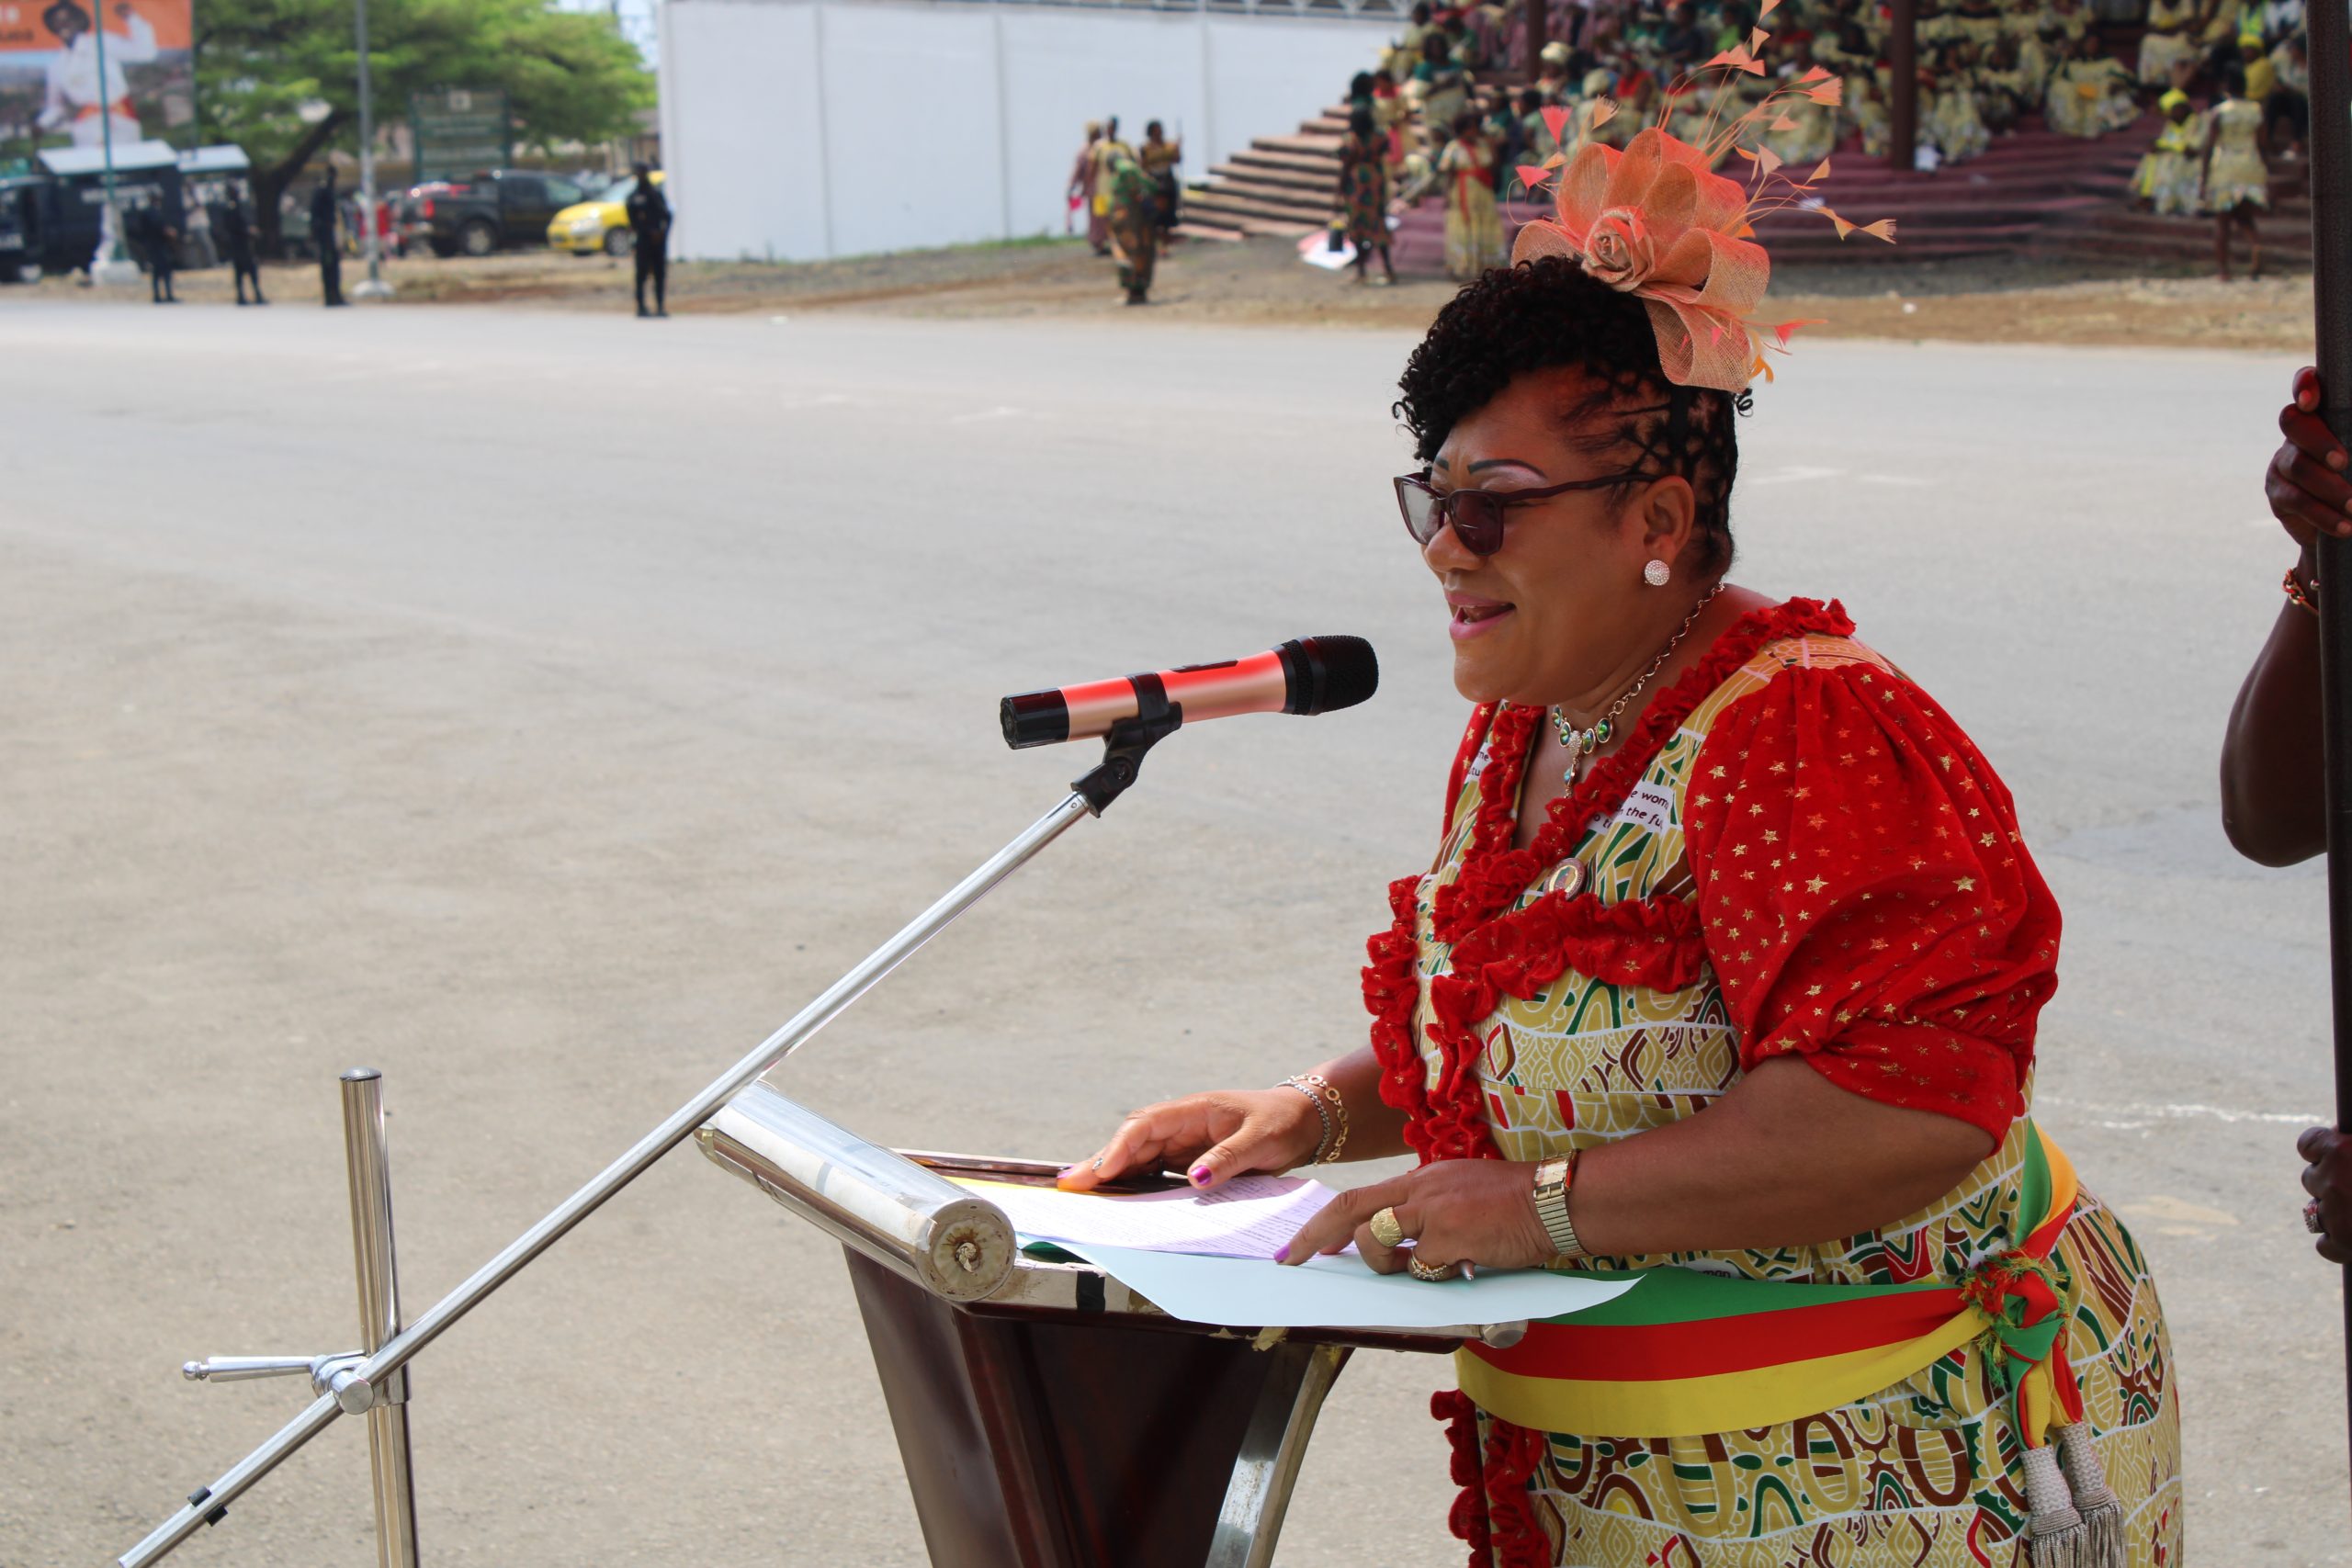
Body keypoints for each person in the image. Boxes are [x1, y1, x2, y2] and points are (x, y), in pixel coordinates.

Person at [1064, 107, 2180, 1566]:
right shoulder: (1537, 715)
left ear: (1659, 512)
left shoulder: (1803, 731)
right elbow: (1542, 1037)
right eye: (1436, 497)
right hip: (1639, 1475)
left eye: (1497, 505)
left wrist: (1539, 1208)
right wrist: (1309, 1113)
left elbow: (1907, 1101)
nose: (1446, 545)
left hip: (1903, 1455)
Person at [37, 0, 154, 151]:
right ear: (51, 27)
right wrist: (41, 124)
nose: (63, 25)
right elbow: (56, 107)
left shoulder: (102, 42)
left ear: (79, 20)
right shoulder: (56, 66)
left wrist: (132, 19)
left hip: (121, 121)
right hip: (87, 130)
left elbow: (145, 53)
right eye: (57, 22)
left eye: (67, 20)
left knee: (127, 166)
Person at [2201, 59, 2270, 280]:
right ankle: (2256, 246)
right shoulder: (2256, 110)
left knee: (2223, 222)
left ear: (2225, 86)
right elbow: (2263, 145)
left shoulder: (2219, 112)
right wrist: (2265, 172)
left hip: (2225, 167)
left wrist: (2204, 178)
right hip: (2250, 165)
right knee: (2245, 217)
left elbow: (2209, 147)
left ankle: (2224, 271)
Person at [1436, 110, 1505, 280]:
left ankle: (1485, 266)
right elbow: (1449, 172)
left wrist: (1492, 145)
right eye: (1470, 129)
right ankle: (1462, 265)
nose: (1473, 132)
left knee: (1485, 225)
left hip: (1483, 192)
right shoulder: (1453, 147)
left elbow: (1493, 165)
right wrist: (1446, 195)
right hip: (1462, 192)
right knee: (1462, 228)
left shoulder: (1483, 145)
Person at [1333, 106, 1397, 285]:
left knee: (1357, 228)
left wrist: (1339, 190)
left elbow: (1345, 165)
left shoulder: (1350, 140)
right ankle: (1388, 270)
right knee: (1378, 225)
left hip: (1356, 186)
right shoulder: (1379, 137)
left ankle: (1361, 272)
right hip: (1375, 182)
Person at [2130, 89, 2206, 215]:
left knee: (2167, 162)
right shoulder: (2172, 125)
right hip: (2173, 159)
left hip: (2192, 162)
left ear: (2181, 107)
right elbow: (2166, 142)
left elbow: (2191, 150)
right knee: (2151, 158)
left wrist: (2166, 146)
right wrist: (2159, 146)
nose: (2169, 115)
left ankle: (2161, 201)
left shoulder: (2198, 122)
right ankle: (2147, 196)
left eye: (2172, 111)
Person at [1102, 141, 1158, 305]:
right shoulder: (1128, 168)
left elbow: (1149, 185)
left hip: (1129, 219)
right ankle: (1137, 291)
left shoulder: (1124, 168)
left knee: (1130, 253)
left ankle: (1134, 292)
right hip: (1130, 219)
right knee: (1139, 253)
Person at [624, 164, 671, 317]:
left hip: (657, 240)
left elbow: (667, 215)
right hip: (643, 240)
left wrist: (663, 233)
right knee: (641, 274)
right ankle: (641, 306)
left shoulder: (655, 194)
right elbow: (631, 218)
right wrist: (638, 231)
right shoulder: (634, 196)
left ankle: (660, 306)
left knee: (659, 274)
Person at [216, 181, 265, 305]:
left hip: (242, 243)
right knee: (243, 270)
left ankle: (255, 294)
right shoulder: (231, 207)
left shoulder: (239, 206)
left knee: (249, 270)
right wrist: (247, 231)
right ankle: (242, 296)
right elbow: (234, 226)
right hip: (239, 244)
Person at [1068, 121, 1107, 254]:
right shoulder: (1084, 151)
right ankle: (1098, 243)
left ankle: (1104, 242)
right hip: (1092, 190)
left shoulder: (1103, 148)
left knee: (1104, 217)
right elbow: (1078, 171)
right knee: (1096, 218)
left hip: (1105, 188)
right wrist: (1071, 186)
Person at [1139, 120, 1182, 243]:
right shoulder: (1145, 148)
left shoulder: (1169, 146)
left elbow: (1176, 160)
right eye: (1156, 132)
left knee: (1169, 206)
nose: (1159, 134)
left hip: (1167, 178)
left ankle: (1167, 231)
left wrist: (1177, 149)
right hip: (1153, 179)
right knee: (1154, 208)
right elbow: (1143, 165)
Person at [128, 197, 175, 303]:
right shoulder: (153, 213)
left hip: (151, 245)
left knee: (157, 272)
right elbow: (158, 227)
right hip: (158, 245)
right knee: (164, 270)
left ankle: (158, 295)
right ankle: (167, 295)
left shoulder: (147, 212)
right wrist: (167, 231)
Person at [311, 169, 345, 307]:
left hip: (331, 234)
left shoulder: (330, 193)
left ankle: (335, 293)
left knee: (334, 265)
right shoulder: (322, 192)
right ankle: (329, 294)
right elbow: (316, 215)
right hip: (325, 236)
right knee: (328, 265)